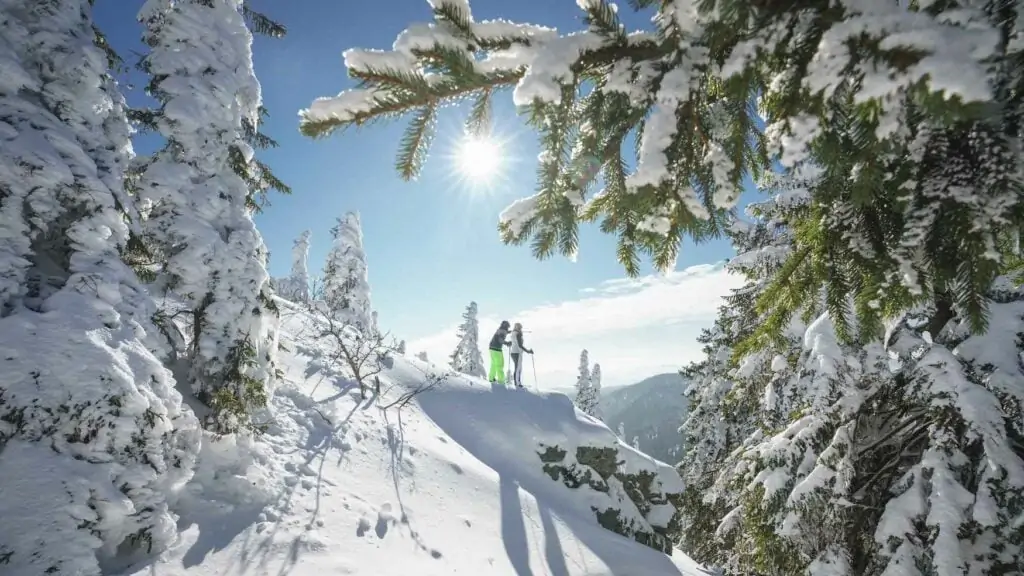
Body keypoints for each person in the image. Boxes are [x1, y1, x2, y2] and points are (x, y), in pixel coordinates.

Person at [509, 322, 534, 389]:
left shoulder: (513, 333)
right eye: (520, 327)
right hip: (517, 353)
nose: (521, 329)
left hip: (513, 352)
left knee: (517, 368)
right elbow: (520, 345)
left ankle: (517, 382)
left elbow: (514, 342)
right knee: (518, 368)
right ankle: (517, 383)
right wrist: (528, 351)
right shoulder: (518, 334)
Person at [487, 320, 512, 385]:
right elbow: (500, 339)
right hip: (497, 349)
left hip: (491, 348)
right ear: (506, 326)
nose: (508, 328)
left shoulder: (500, 330)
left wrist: (508, 332)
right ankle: (501, 380)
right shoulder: (503, 331)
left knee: (494, 364)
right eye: (508, 327)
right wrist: (507, 343)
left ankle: (491, 378)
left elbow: (501, 335)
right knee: (500, 364)